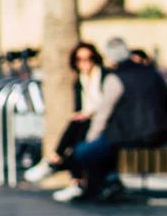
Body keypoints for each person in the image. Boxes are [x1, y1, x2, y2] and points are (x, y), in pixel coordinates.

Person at [62, 37, 167, 202]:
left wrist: (91, 139)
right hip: (161, 133)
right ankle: (110, 182)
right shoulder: (152, 72)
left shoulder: (115, 78)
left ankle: (102, 185)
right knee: (101, 144)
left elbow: (103, 115)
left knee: (83, 151)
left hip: (128, 136)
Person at [24, 42, 108, 202]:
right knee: (76, 131)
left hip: (102, 121)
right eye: (80, 59)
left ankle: (55, 161)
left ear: (95, 59)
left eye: (89, 58)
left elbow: (108, 103)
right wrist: (84, 114)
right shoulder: (80, 80)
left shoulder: (104, 75)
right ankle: (66, 171)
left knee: (77, 131)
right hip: (86, 122)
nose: (85, 63)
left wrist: (89, 113)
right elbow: (79, 109)